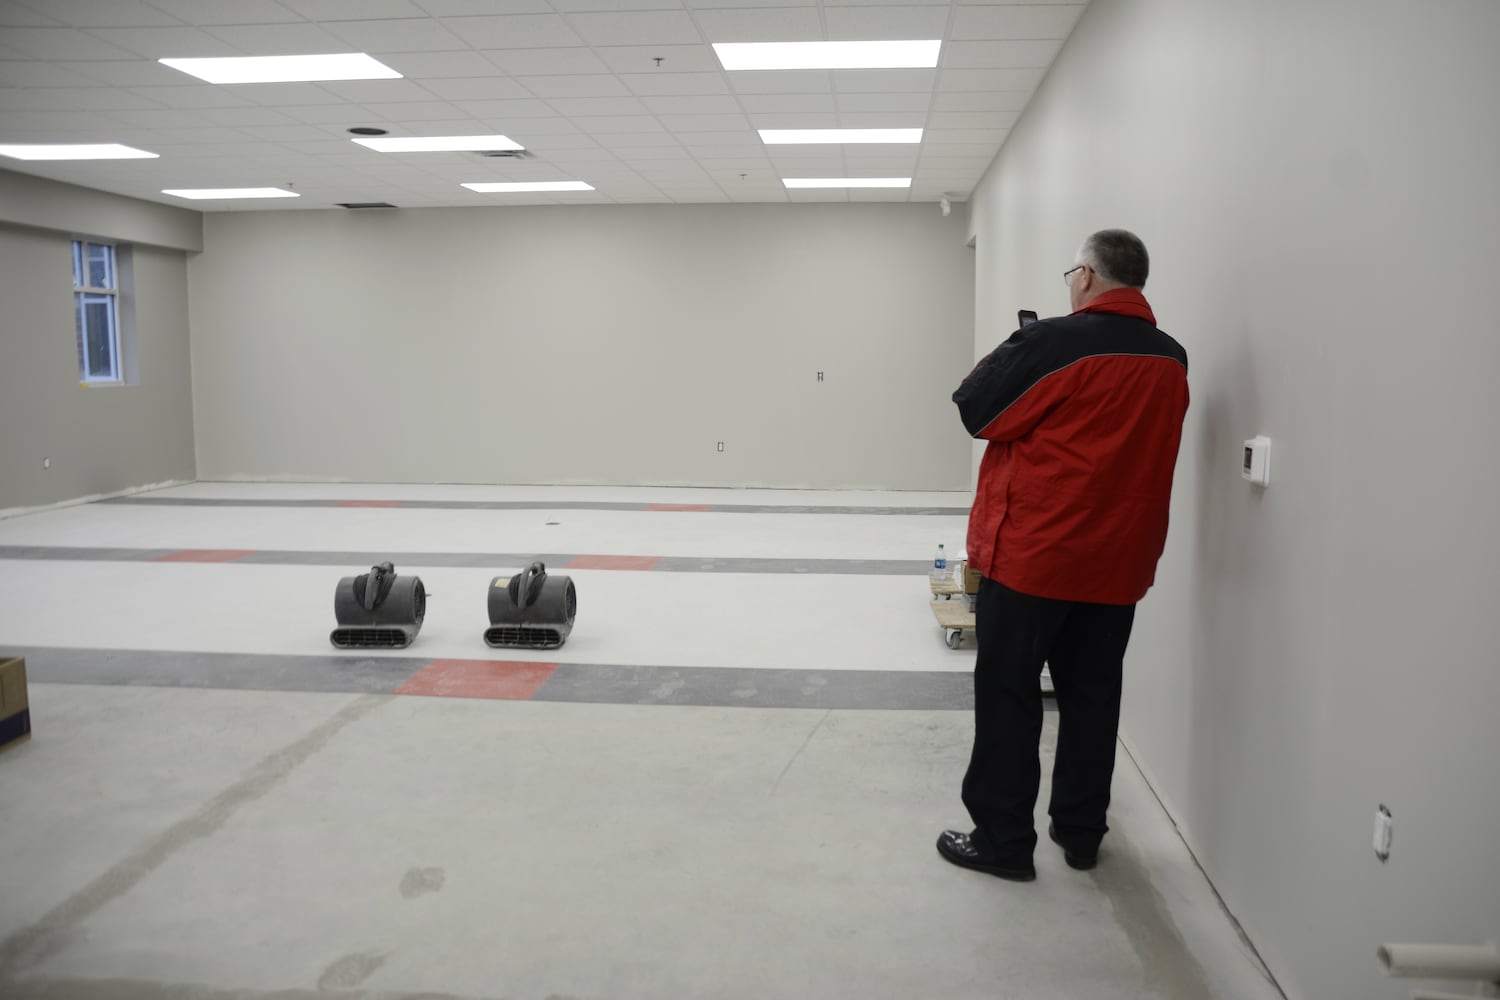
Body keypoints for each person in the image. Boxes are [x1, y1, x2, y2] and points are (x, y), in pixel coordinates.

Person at [937, 229, 1189, 881]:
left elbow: (977, 410)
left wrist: (1013, 346)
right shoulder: (1171, 357)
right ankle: (1080, 835)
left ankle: (1003, 840)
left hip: (1035, 558)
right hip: (1117, 564)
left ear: (1085, 276)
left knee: (1009, 696)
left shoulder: (1052, 341)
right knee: (1093, 698)